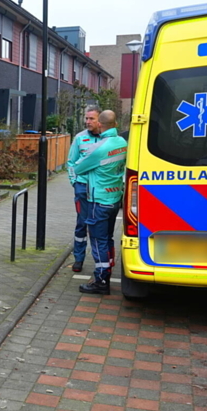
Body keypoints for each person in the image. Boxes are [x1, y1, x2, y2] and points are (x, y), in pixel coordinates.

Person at [72, 110, 127, 295]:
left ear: (100, 125)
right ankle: (108, 268)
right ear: (116, 124)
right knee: (108, 238)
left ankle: (101, 280)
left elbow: (78, 168)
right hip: (115, 199)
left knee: (98, 241)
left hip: (99, 200)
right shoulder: (122, 142)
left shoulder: (99, 148)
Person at [66, 106, 102, 273]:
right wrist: (75, 182)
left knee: (99, 226)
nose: (87, 121)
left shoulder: (107, 139)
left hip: (100, 189)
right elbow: (71, 162)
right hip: (82, 188)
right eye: (86, 118)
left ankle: (100, 261)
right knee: (81, 224)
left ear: (100, 120)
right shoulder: (80, 138)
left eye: (91, 119)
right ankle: (78, 259)